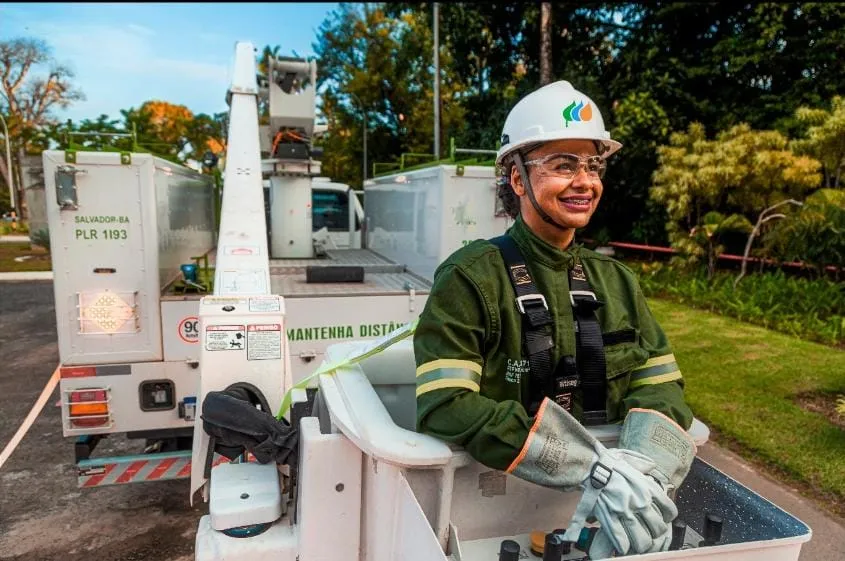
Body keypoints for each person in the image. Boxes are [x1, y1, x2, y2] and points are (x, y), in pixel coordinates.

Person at [413, 81, 697, 558]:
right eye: (563, 165)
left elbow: (664, 388)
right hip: (491, 520)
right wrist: (592, 469)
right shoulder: (470, 280)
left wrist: (642, 478)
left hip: (610, 520)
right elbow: (445, 405)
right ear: (518, 179)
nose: (585, 182)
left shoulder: (618, 283)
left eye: (593, 165)